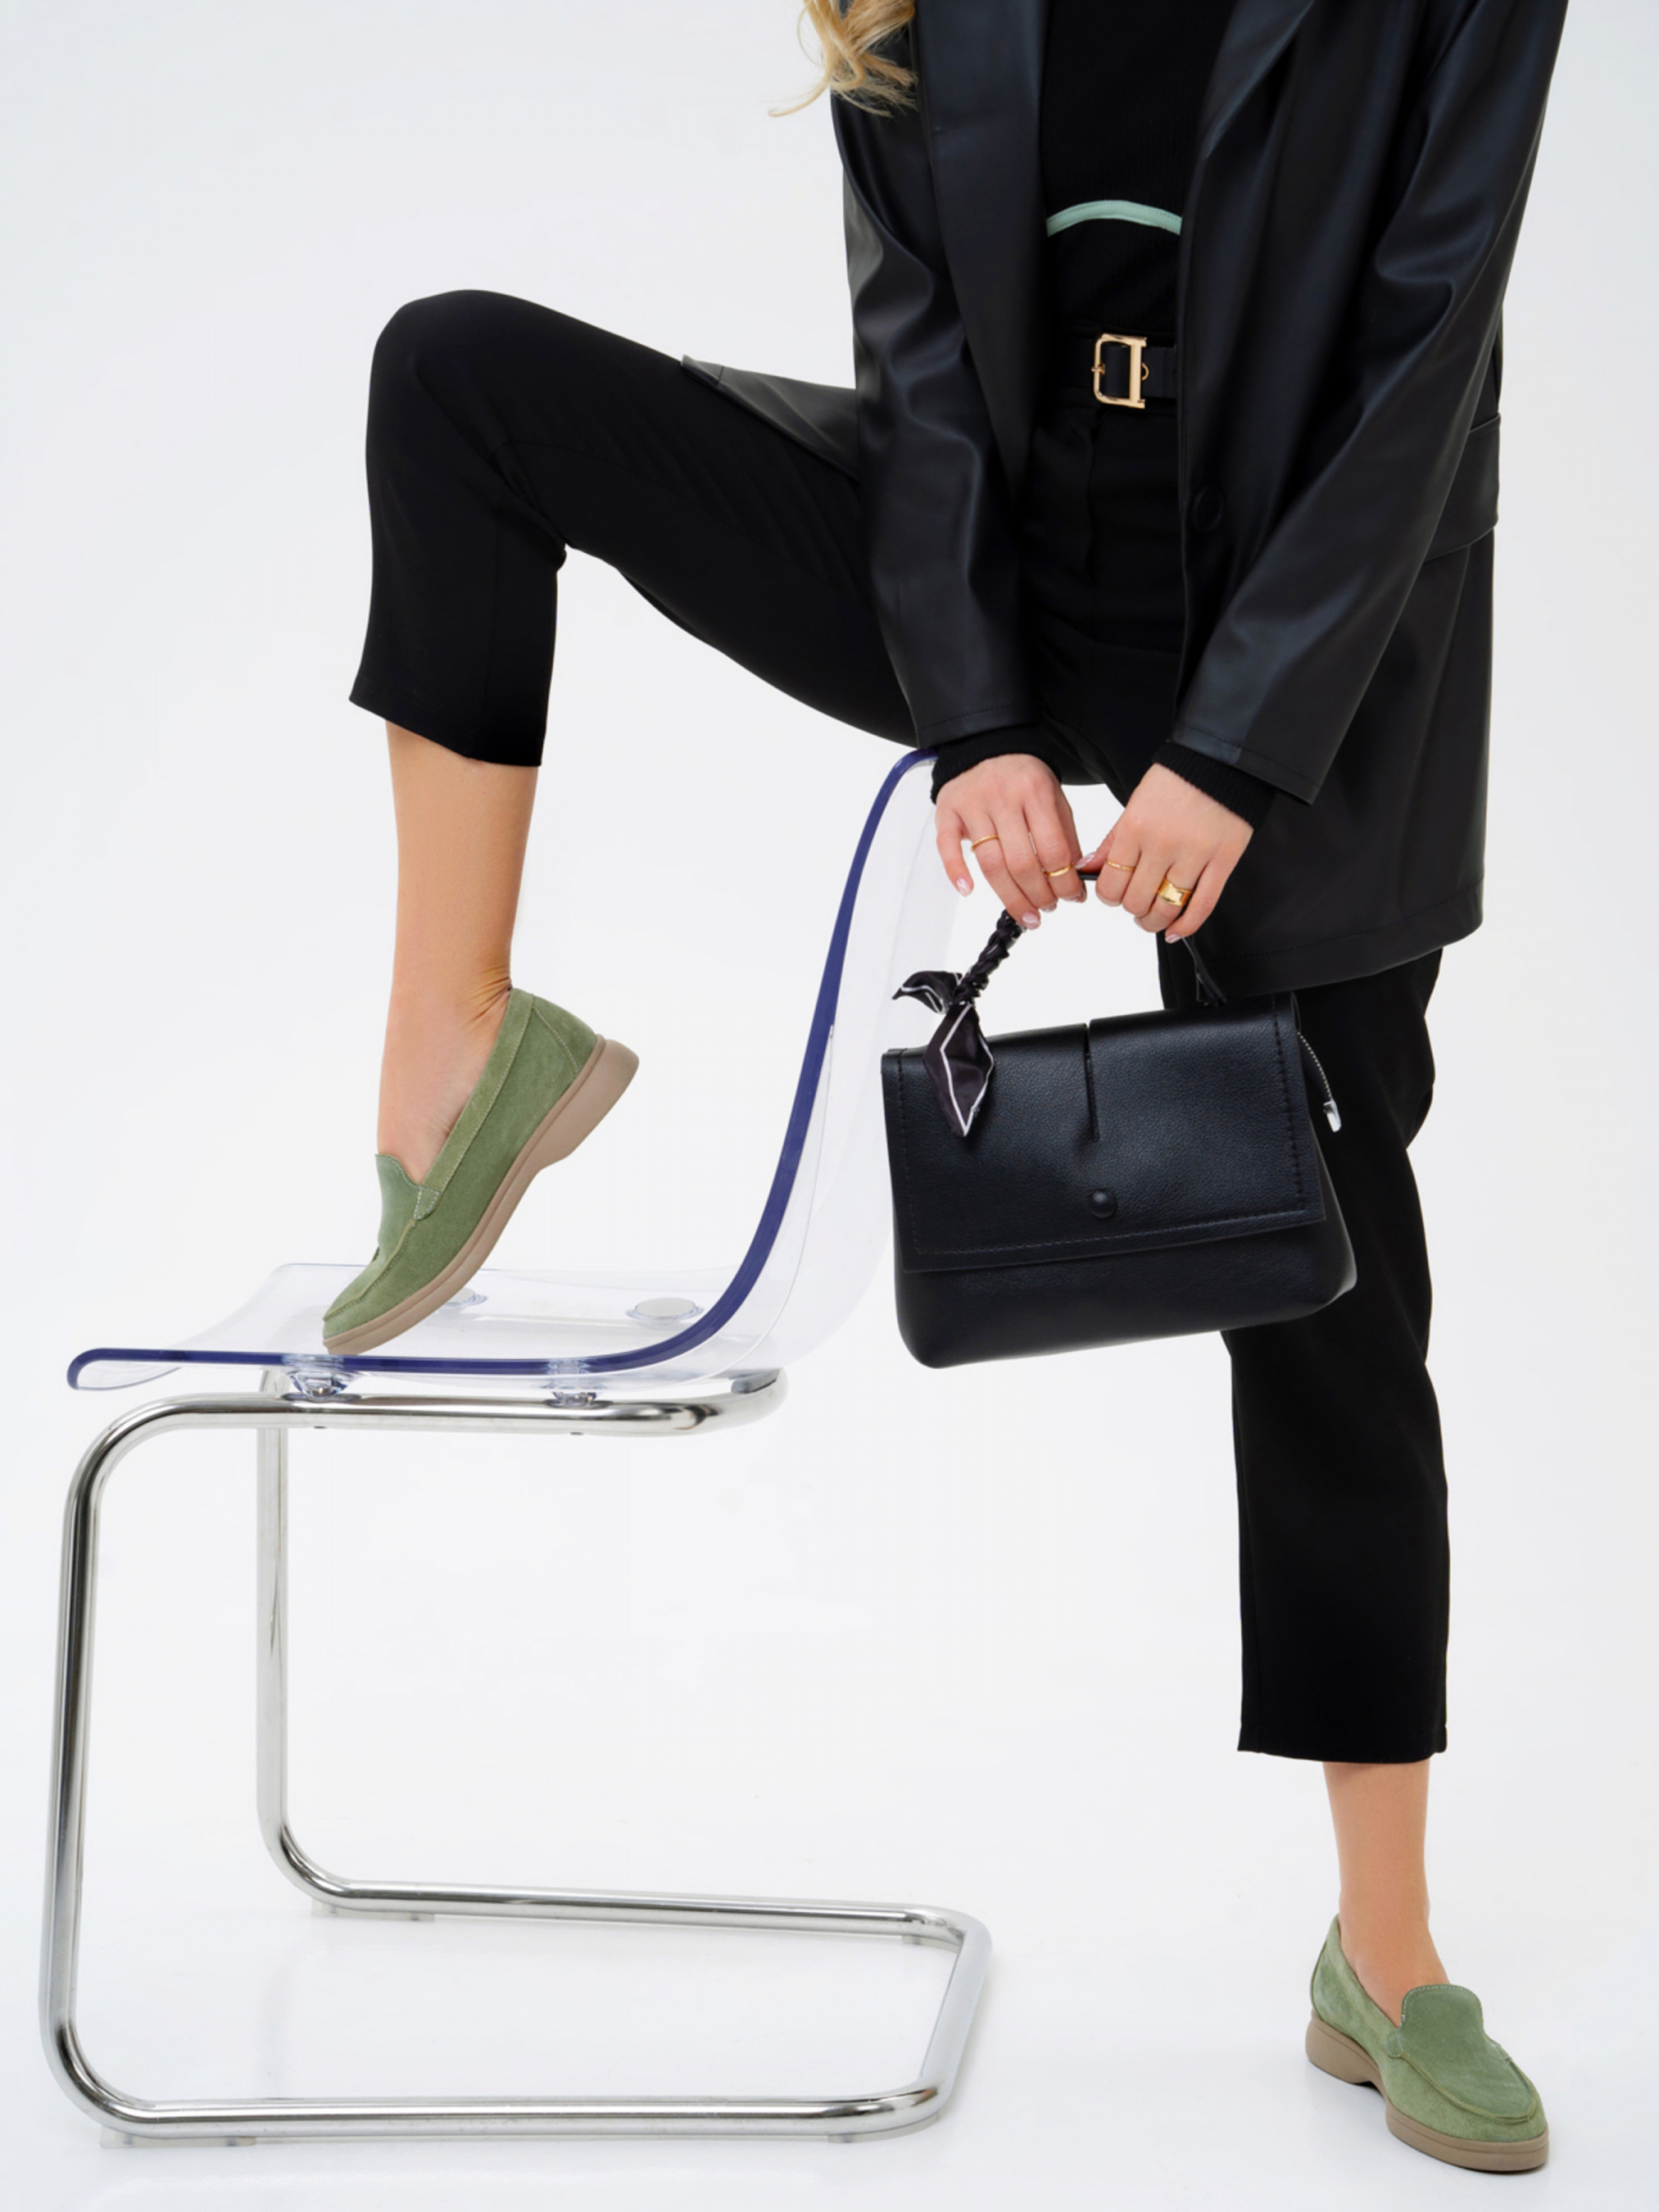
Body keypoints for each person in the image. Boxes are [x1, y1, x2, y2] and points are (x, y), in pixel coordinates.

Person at [324, 0, 1568, 2172]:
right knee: (456, 379)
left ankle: (1386, 1949)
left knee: (1338, 1301)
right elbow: (917, 354)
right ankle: (458, 1051)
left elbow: (1422, 351)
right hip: (1004, 562)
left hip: (1308, 639)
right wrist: (973, 713)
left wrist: (1235, 750)